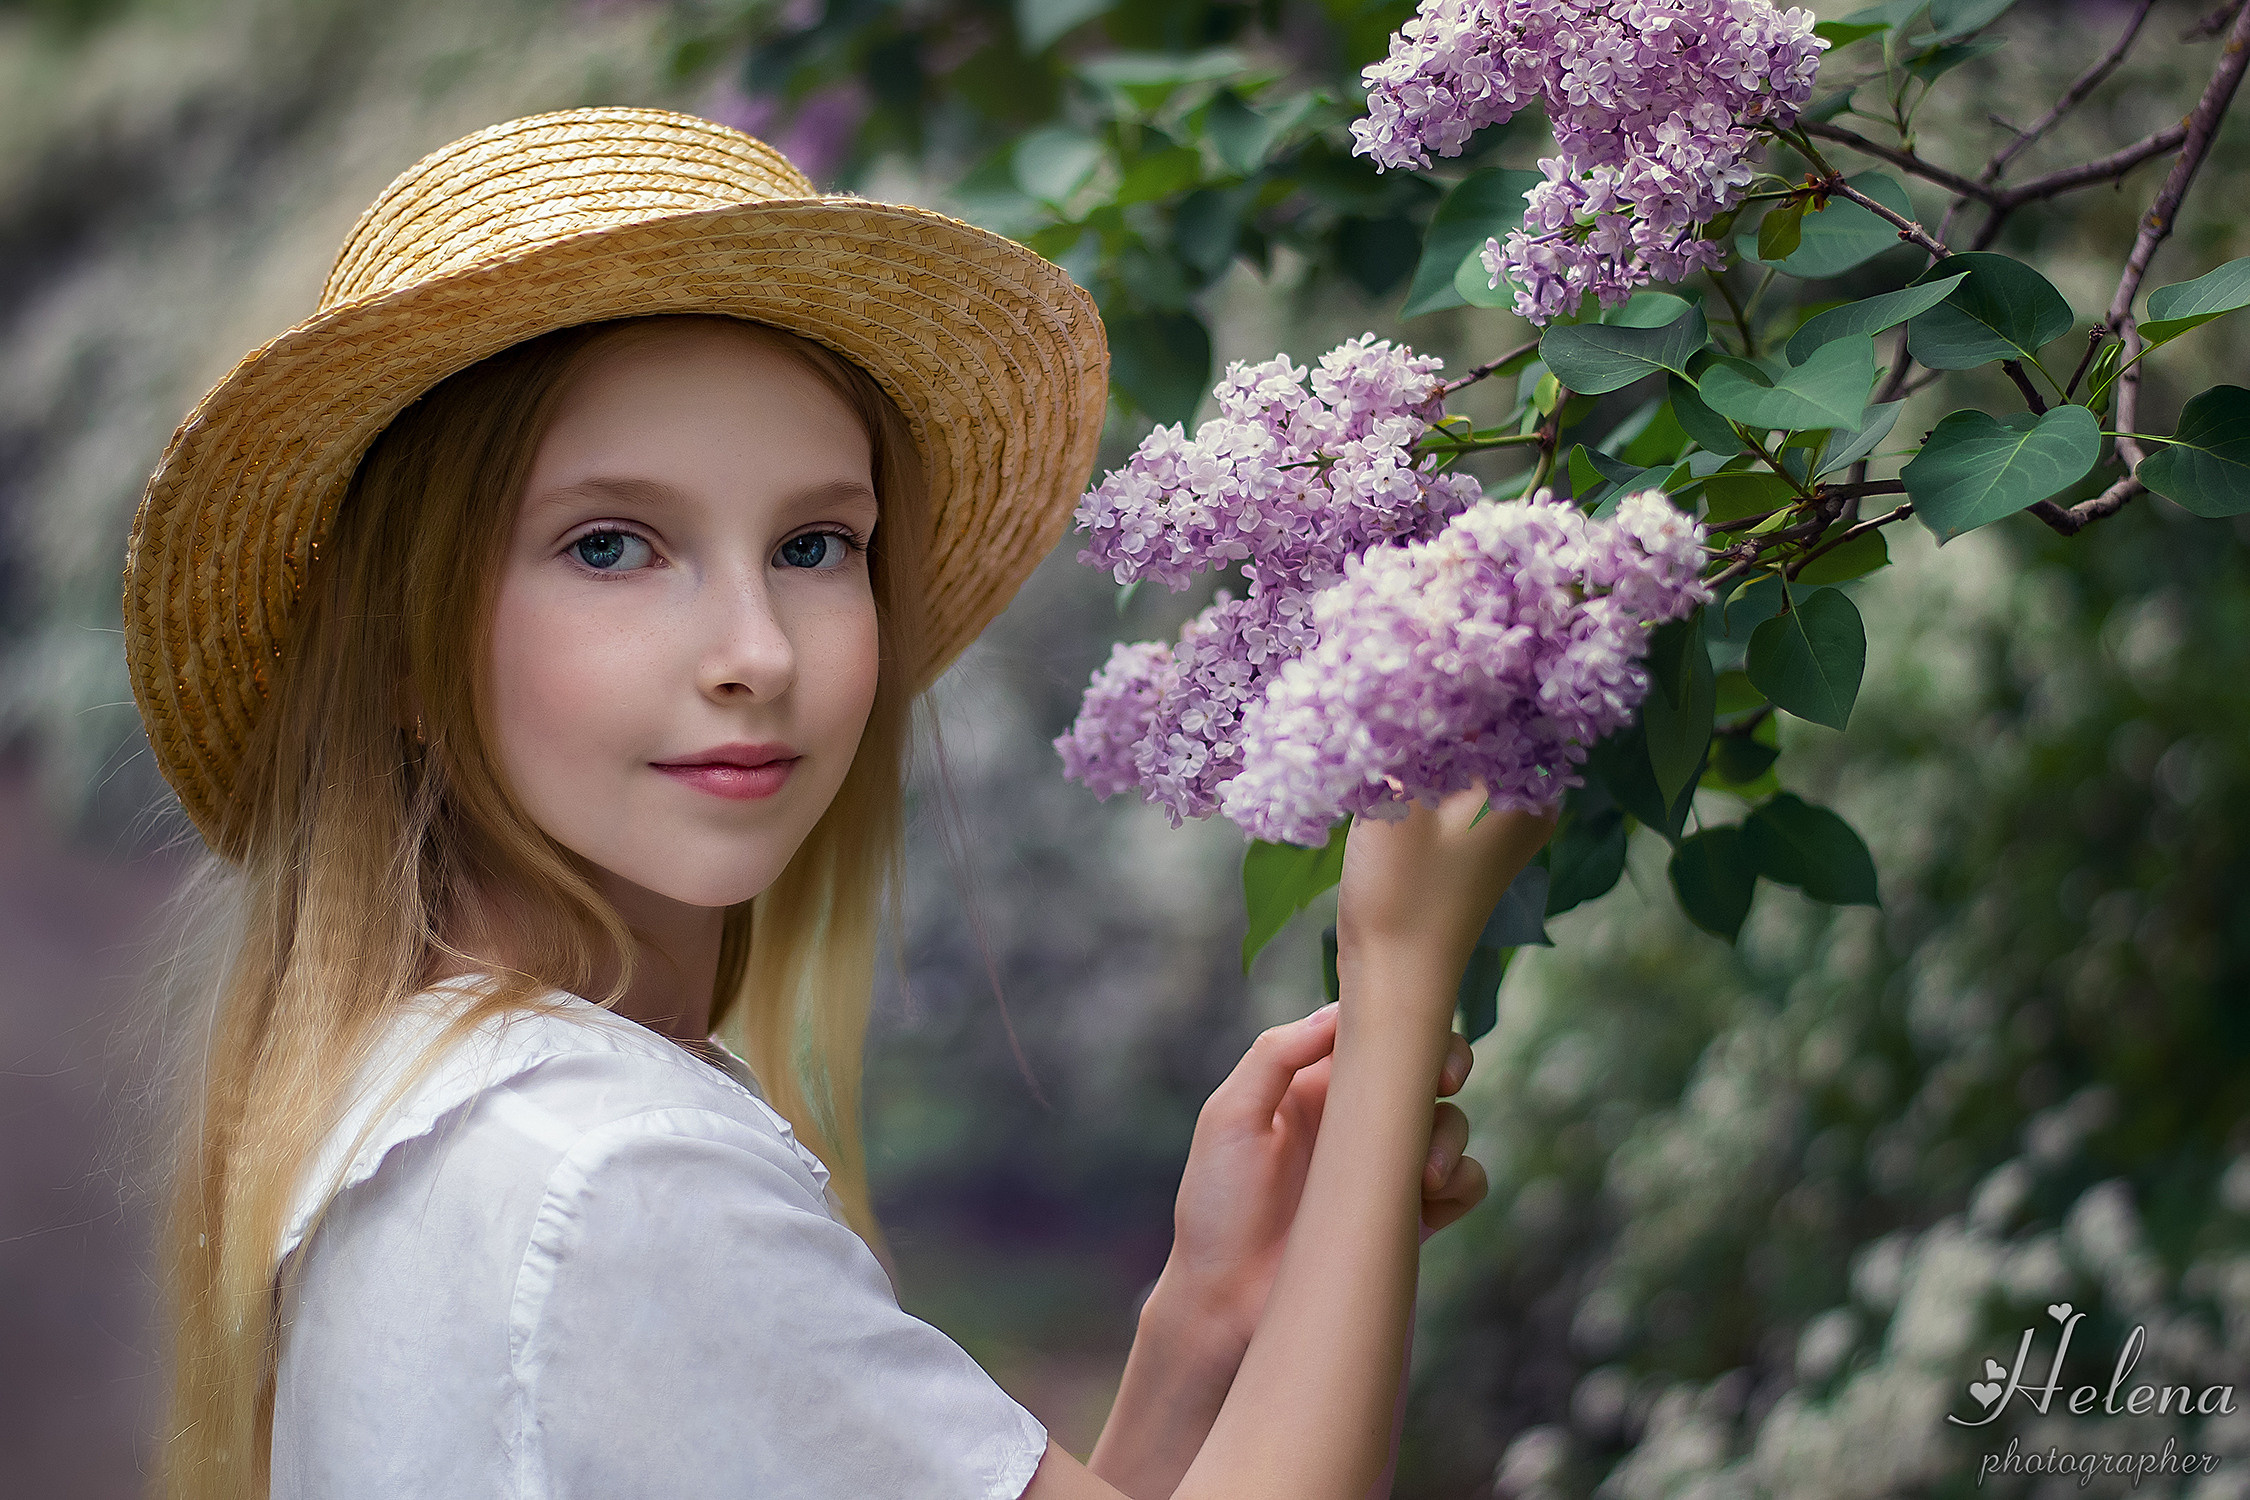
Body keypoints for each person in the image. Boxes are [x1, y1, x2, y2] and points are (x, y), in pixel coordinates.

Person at [122, 106, 1552, 1500]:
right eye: (611, 545)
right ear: (400, 648)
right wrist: (1401, 966)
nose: (755, 651)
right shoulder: (612, 1179)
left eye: (815, 543)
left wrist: (1205, 1320)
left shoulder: (437, 1102)